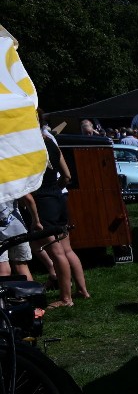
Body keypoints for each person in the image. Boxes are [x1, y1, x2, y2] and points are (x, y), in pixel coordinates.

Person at [34, 115, 90, 307]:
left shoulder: (29, 148)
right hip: (58, 197)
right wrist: (54, 189)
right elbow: (67, 176)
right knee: (67, 249)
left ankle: (66, 298)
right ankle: (82, 290)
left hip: (43, 200)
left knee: (57, 252)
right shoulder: (50, 141)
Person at [0, 195, 35, 280]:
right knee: (21, 265)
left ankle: (5, 293)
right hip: (17, 227)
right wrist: (36, 221)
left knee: (3, 270)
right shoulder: (10, 181)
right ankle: (31, 292)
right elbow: (28, 198)